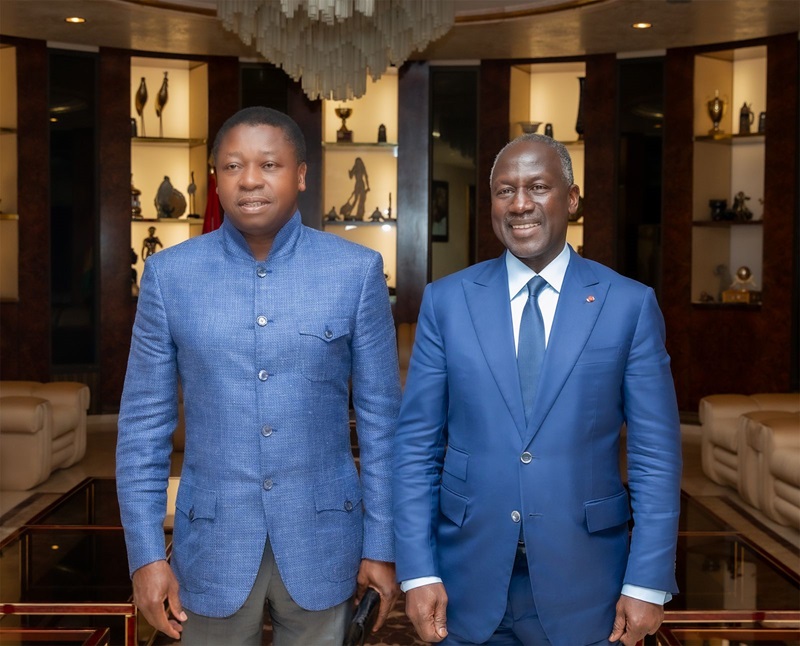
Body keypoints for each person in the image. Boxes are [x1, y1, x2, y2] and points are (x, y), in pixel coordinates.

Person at [116, 106, 401, 645]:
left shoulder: (355, 271)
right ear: (216, 178)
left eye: (269, 164)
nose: (249, 179)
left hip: (326, 541)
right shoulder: (169, 277)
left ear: (300, 175)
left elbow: (383, 424)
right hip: (211, 549)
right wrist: (146, 556)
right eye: (232, 166)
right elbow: (141, 430)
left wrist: (381, 545)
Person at [393, 134, 682, 646]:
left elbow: (655, 456)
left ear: (571, 199)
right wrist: (417, 571)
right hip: (466, 580)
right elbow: (416, 447)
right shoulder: (446, 303)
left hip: (588, 584)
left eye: (538, 187)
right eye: (505, 191)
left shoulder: (628, 305)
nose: (520, 204)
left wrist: (648, 582)